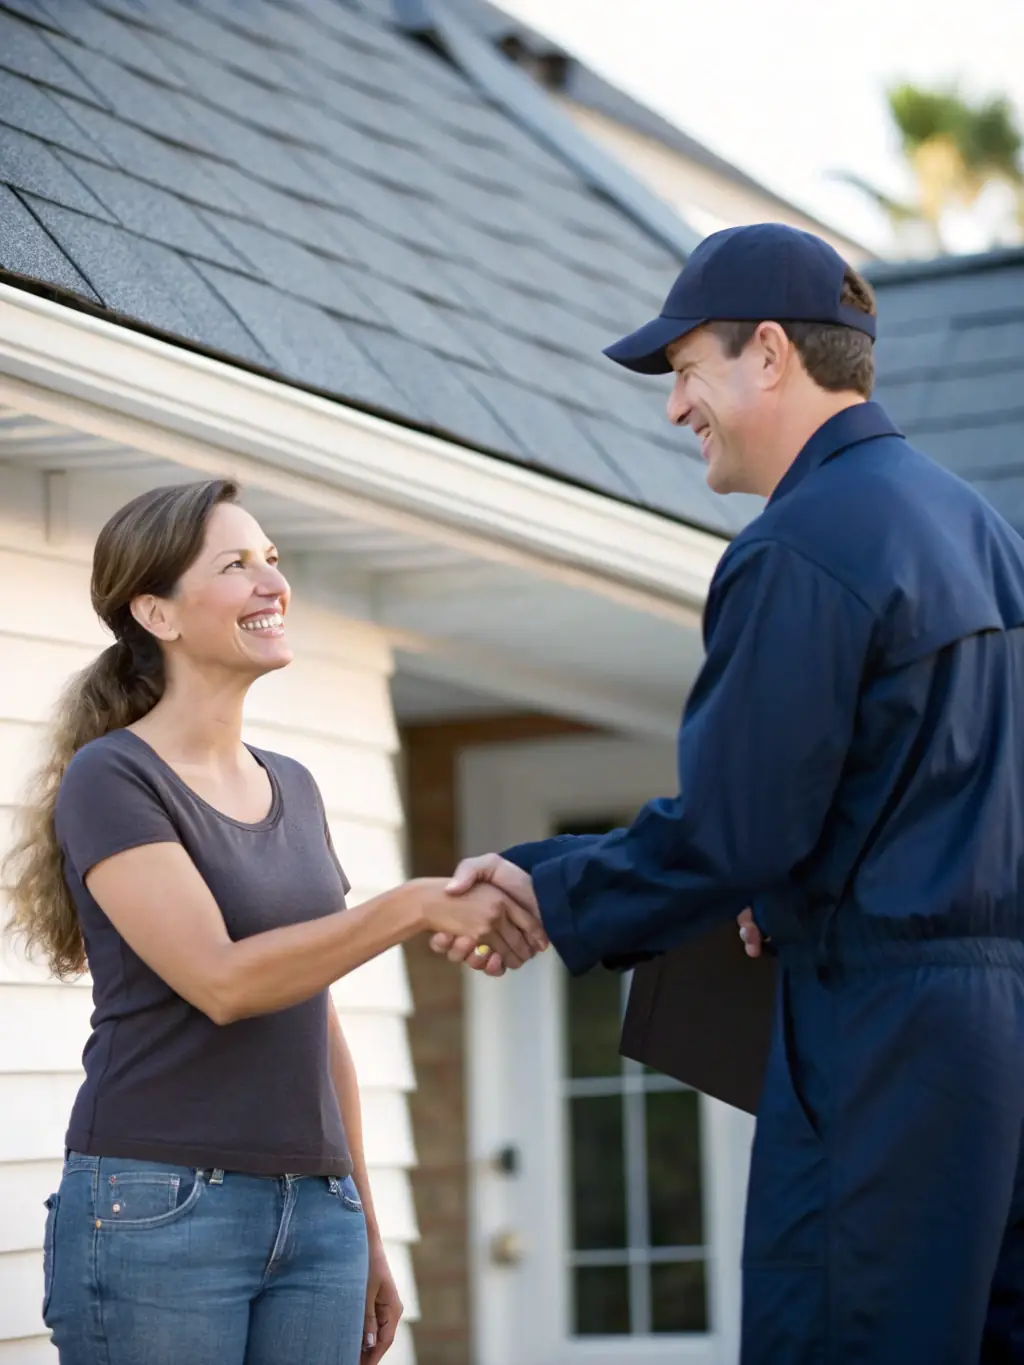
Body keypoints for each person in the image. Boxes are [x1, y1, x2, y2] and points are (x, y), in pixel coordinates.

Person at [433, 223, 1024, 1363]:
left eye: (685, 367)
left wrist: (541, 884)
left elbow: (734, 833)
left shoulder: (800, 544)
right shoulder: (987, 536)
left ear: (766, 351)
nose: (673, 406)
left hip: (884, 1037)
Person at [2, 479, 546, 1365]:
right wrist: (410, 902)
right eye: (237, 565)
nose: (272, 583)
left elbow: (313, 1015)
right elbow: (224, 980)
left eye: (274, 561)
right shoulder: (113, 778)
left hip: (316, 1215)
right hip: (160, 1205)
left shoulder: (293, 783)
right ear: (158, 613)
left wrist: (362, 1218)